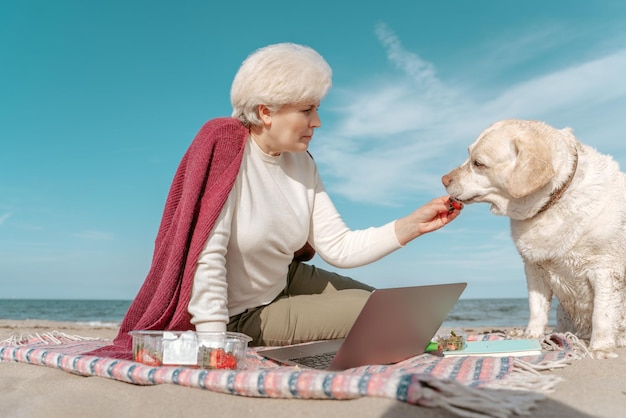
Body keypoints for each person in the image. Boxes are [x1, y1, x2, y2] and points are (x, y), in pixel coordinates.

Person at [90, 43, 462, 359]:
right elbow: (207, 256)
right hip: (241, 312)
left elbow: (340, 247)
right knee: (377, 315)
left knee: (393, 308)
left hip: (285, 276)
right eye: (306, 110)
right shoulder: (225, 146)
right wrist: (215, 346)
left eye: (317, 109)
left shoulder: (303, 164)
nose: (317, 122)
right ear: (266, 111)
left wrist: (414, 224)